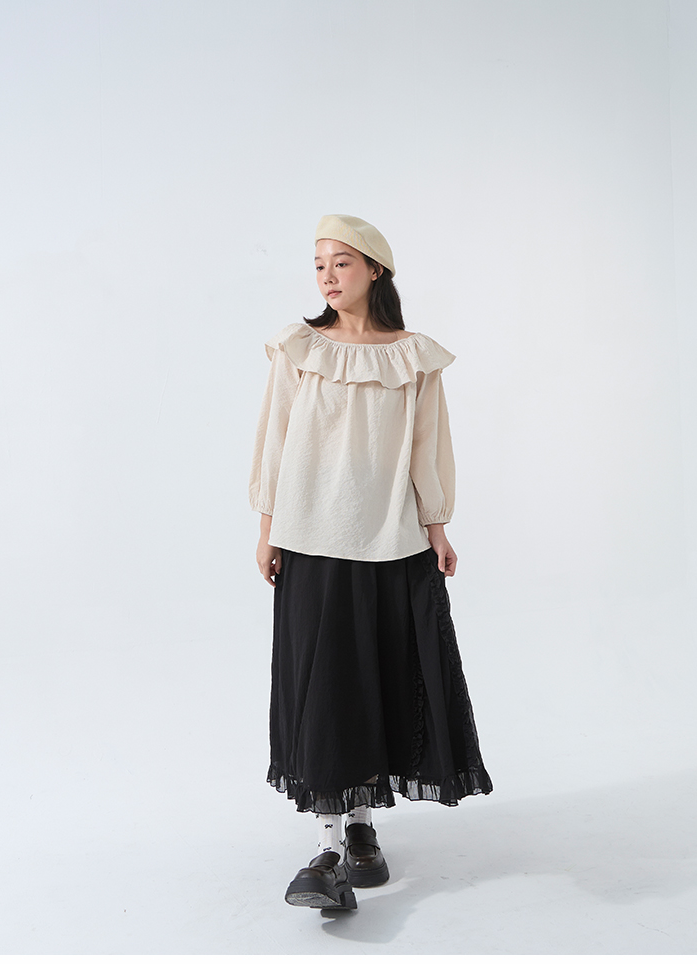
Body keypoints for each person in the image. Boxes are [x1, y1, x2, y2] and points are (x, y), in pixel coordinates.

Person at [249, 214, 493, 910]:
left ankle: (362, 831)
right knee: (326, 689)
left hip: (393, 542)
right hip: (312, 539)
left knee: (380, 682)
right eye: (319, 264)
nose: (327, 276)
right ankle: (329, 849)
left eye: (341, 263)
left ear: (375, 270)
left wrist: (438, 528)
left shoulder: (413, 357)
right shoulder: (299, 348)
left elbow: (427, 448)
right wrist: (267, 528)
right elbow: (274, 439)